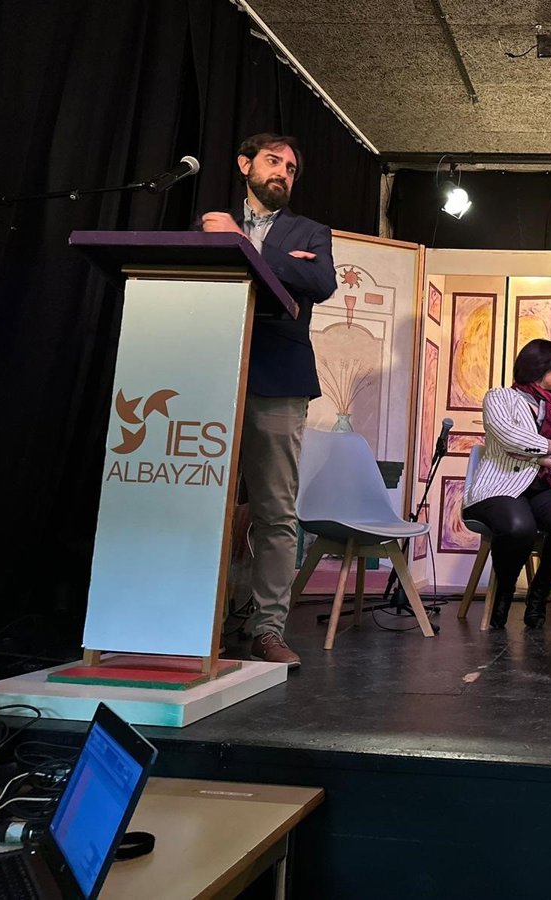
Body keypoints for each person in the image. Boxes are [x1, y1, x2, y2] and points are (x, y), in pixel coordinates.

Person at [201, 133, 335, 669]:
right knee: (204, 502)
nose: (282, 172)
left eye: (291, 168)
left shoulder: (311, 231)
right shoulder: (210, 222)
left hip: (279, 377)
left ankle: (268, 629)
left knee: (276, 511)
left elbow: (318, 281)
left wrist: (248, 244)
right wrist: (279, 260)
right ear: (244, 165)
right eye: (273, 161)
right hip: (210, 373)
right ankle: (200, 623)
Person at [463, 339, 551, 629]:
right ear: (538, 365)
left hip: (545, 488)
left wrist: (542, 459)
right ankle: (504, 593)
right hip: (500, 487)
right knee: (519, 527)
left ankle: (539, 593)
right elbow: (510, 437)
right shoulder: (499, 397)